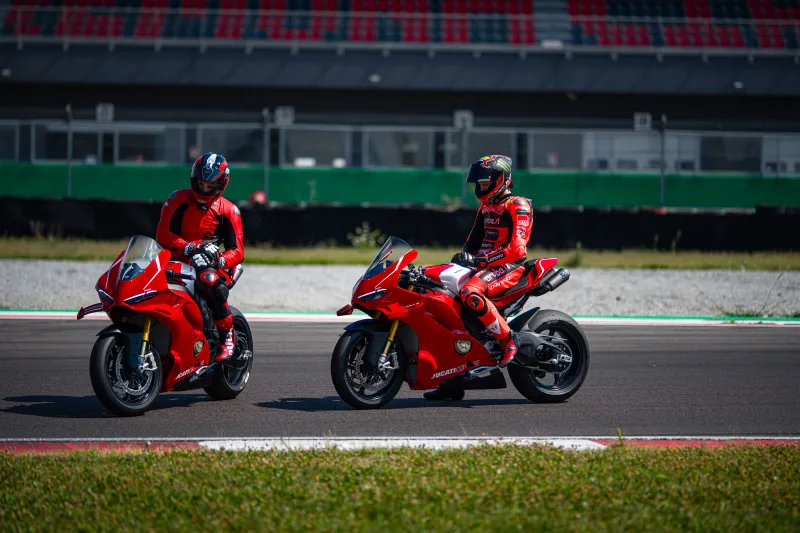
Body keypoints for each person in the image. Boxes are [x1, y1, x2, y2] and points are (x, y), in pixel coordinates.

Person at [424, 154, 534, 401]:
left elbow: (518, 250)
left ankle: (509, 342)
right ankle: (452, 381)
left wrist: (483, 260)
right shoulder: (486, 208)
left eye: (486, 182)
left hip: (508, 266)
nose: (481, 187)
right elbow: (471, 243)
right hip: (482, 266)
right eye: (480, 183)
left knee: (469, 293)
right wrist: (464, 256)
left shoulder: (518, 205)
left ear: (501, 179)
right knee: (439, 291)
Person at [156, 152, 245, 362]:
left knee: (208, 280)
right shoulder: (176, 200)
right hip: (181, 257)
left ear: (222, 183)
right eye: (200, 184)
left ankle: (226, 336)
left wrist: (219, 260)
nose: (204, 189)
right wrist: (188, 248)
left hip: (215, 264)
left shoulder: (230, 210)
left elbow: (238, 250)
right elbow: (163, 234)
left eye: (210, 186)